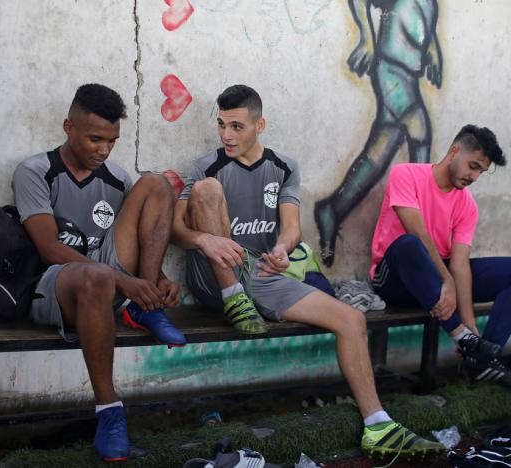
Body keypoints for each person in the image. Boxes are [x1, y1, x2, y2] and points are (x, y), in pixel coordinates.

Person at [172, 84, 445, 460]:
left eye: (236, 126)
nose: (226, 135)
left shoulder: (283, 167)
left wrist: (283, 250)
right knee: (206, 190)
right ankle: (235, 299)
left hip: (262, 273)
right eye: (221, 125)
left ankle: (378, 424)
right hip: (214, 276)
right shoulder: (207, 166)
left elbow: (292, 227)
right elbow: (177, 229)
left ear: (259, 125)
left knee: (351, 319)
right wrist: (206, 240)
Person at [12, 84, 186, 462]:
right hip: (55, 285)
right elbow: (49, 249)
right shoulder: (35, 172)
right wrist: (125, 281)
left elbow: (140, 233)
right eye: (94, 139)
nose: (103, 150)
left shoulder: (115, 178)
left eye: (112, 141)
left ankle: (146, 308)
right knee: (101, 277)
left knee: (156, 183)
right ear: (68, 127)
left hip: (109, 282)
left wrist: (155, 281)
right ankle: (109, 413)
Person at [370, 125, 511, 387]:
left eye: (480, 171)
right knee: (410, 244)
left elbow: (460, 264)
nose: (474, 176)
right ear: (454, 151)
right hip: (395, 280)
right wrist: (445, 280)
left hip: (436, 283)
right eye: (473, 166)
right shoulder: (406, 174)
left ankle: (481, 357)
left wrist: (470, 323)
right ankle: (465, 340)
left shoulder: (467, 204)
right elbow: (417, 231)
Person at [314, 0, 442, 267]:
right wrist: (367, 40)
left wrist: (431, 47)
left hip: (408, 71)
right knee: (420, 133)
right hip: (392, 68)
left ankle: (332, 209)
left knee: (378, 153)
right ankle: (418, 235)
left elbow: (424, 15)